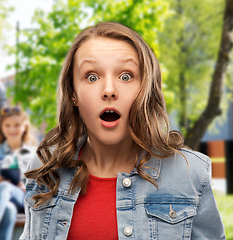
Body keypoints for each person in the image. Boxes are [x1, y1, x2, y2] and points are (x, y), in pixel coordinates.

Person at [20, 22, 226, 240]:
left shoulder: (190, 172)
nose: (109, 90)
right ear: (73, 94)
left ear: (144, 89)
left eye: (126, 76)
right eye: (92, 77)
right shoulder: (44, 167)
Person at [0, 106, 36, 240]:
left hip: (22, 199)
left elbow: (41, 187)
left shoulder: (34, 154)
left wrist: (25, 188)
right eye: (7, 125)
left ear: (24, 127)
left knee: (5, 187)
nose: (12, 130)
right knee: (8, 209)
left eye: (16, 125)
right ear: (2, 128)